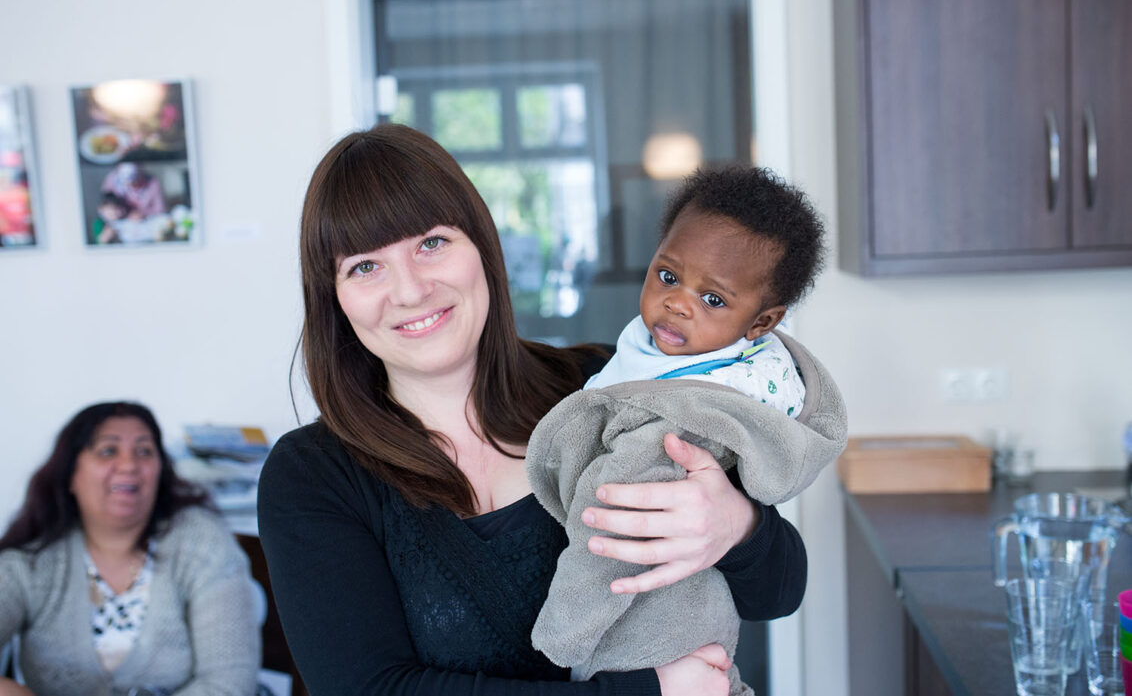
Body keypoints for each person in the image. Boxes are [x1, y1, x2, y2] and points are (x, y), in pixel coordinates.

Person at [256, 123, 814, 696]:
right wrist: (650, 693)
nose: (410, 290)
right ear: (334, 297)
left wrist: (736, 526)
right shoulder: (313, 476)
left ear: (481, 247)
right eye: (365, 266)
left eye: (431, 243)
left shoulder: (605, 390)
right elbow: (372, 691)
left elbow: (778, 592)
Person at [525, 167, 847, 694]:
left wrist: (562, 638)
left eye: (713, 299)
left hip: (647, 632)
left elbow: (612, 527)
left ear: (762, 324)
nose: (678, 302)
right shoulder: (651, 367)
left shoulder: (684, 412)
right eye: (668, 276)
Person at [0, 402, 261, 696]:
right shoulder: (33, 559)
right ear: (71, 473)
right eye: (108, 450)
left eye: (144, 451)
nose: (129, 465)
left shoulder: (202, 542)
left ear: (161, 470)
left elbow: (230, 682)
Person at [100, 163, 165, 218]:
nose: (128, 185)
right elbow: (105, 204)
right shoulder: (112, 180)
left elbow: (160, 209)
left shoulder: (152, 184)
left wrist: (142, 214)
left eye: (133, 182)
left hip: (145, 221)